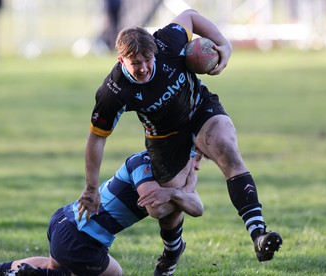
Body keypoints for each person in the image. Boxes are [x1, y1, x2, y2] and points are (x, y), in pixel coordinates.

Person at [78, 8, 282, 274]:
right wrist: (91, 189)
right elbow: (96, 139)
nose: (143, 68)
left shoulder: (167, 42)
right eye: (135, 63)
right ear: (121, 60)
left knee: (226, 148)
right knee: (160, 207)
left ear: (154, 51)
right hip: (164, 137)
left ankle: (258, 234)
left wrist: (224, 45)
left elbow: (190, 15)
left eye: (147, 60)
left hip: (199, 109)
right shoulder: (113, 91)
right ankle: (173, 250)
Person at [0, 149, 204, 276]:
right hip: (82, 239)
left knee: (54, 266)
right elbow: (157, 209)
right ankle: (28, 275)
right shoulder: (144, 164)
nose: (197, 166)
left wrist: (180, 192)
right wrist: (182, 192)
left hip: (65, 221)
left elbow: (198, 209)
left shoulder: (167, 176)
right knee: (114, 275)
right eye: (196, 159)